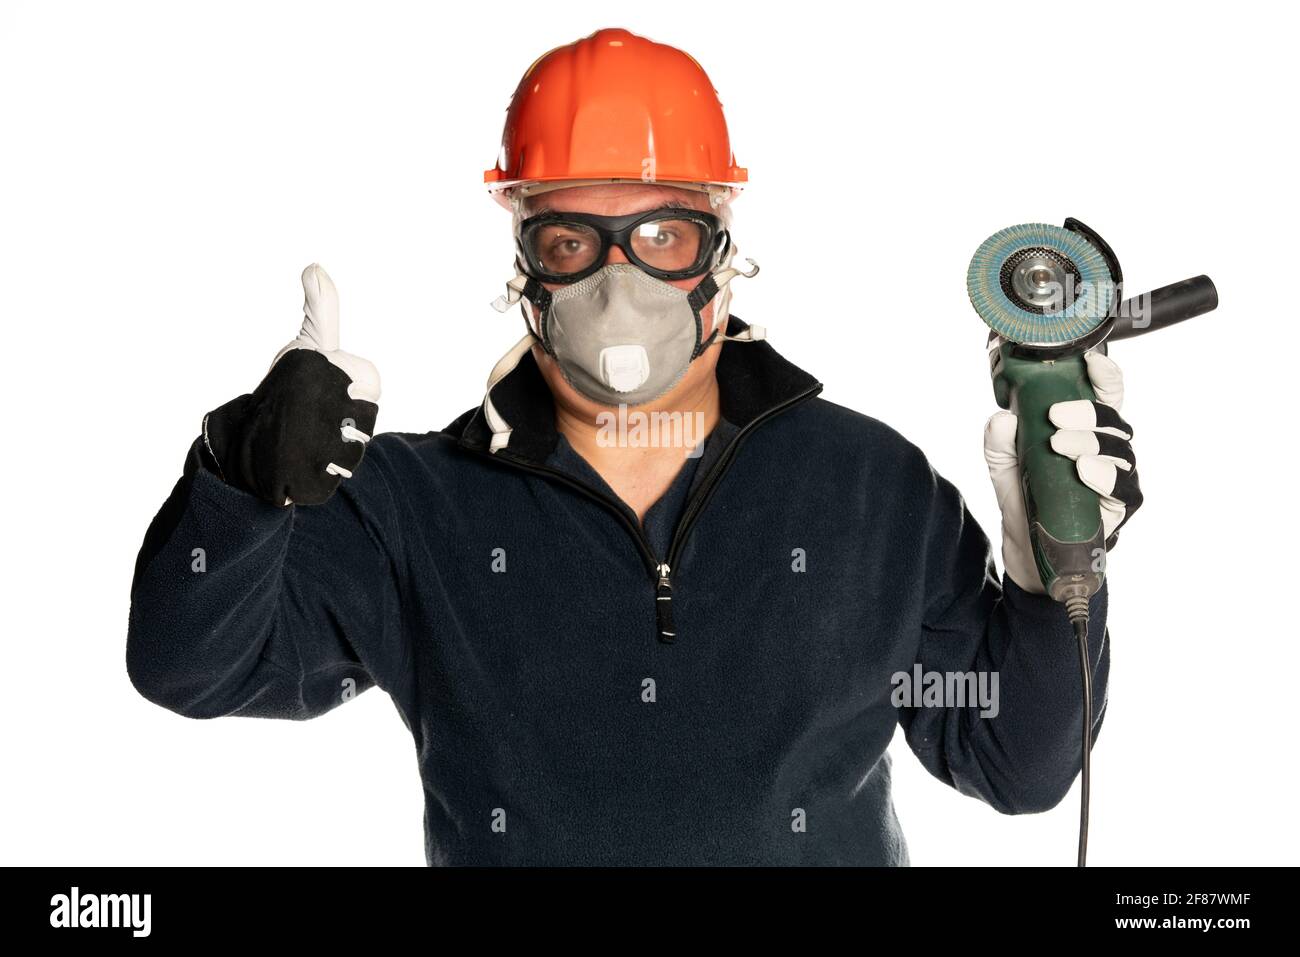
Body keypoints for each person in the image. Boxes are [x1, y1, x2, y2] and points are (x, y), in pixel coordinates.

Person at [126, 27, 1142, 866]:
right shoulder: (407, 504)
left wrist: (1047, 574)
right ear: (522, 259)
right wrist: (240, 484)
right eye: (570, 239)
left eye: (663, 235)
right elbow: (191, 672)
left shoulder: (871, 487)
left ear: (725, 246)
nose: (620, 282)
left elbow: (1016, 763)